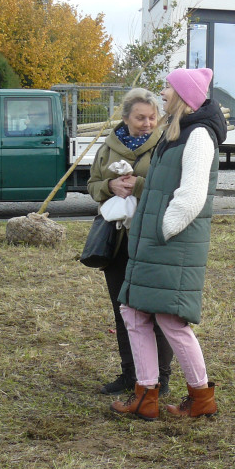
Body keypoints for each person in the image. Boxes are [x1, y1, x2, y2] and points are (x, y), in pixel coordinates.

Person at [111, 67, 229, 421]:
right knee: (133, 311)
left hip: (170, 243)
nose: (162, 93)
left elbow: (191, 198)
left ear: (183, 96)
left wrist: (161, 231)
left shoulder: (199, 136)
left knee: (171, 319)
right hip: (156, 242)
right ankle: (146, 394)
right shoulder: (177, 132)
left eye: (168, 88)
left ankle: (201, 397)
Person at [87, 88, 175, 396]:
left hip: (151, 239)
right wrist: (109, 185)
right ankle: (130, 375)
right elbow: (92, 185)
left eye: (152, 117)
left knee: (156, 310)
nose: (147, 123)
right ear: (125, 118)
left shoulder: (166, 145)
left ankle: (161, 379)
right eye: (140, 118)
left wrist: (137, 186)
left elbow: (171, 187)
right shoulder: (107, 147)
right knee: (123, 310)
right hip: (117, 242)